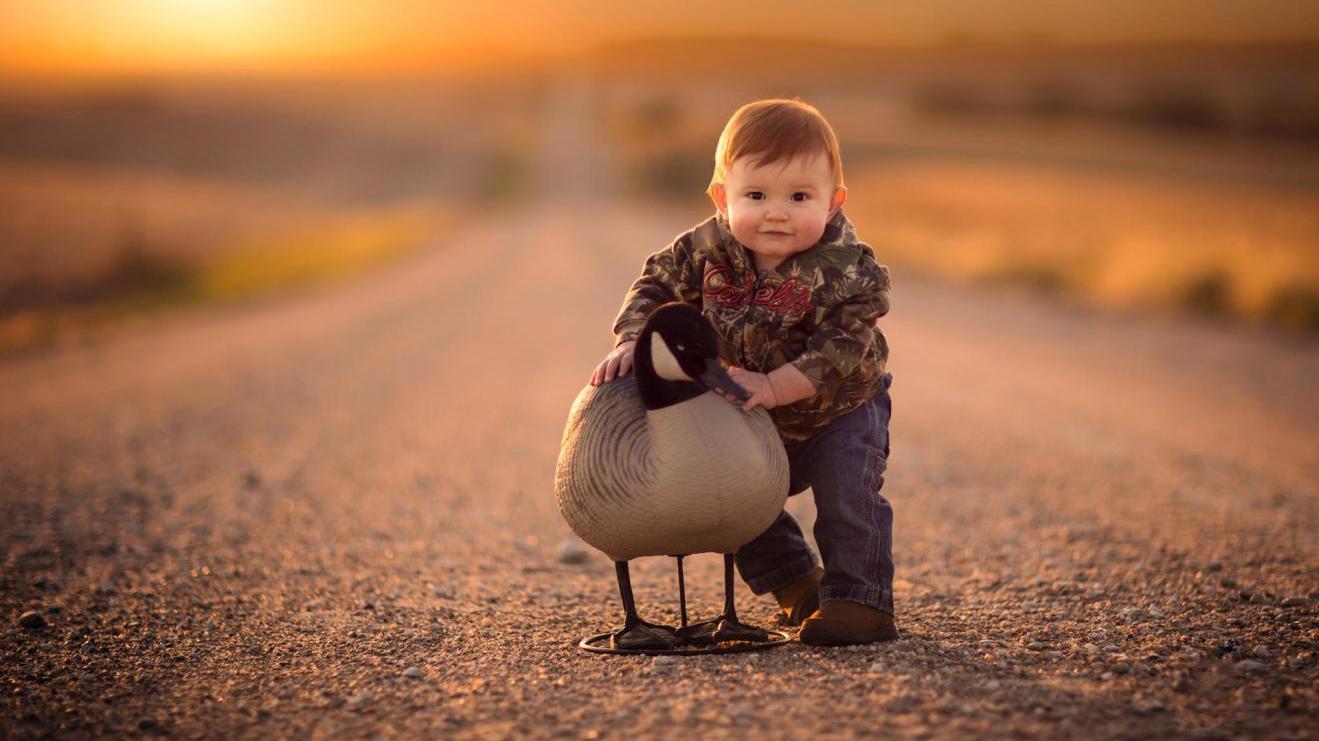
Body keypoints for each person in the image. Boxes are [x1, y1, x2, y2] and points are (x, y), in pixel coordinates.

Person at [589, 98, 896, 645]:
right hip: (749, 407)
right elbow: (654, 285)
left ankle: (859, 599)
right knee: (733, 497)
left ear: (833, 203)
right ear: (721, 198)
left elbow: (843, 346)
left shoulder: (848, 268)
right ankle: (797, 583)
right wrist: (634, 337)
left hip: (838, 411)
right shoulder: (705, 249)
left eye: (799, 197)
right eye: (756, 196)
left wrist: (777, 386)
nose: (776, 212)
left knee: (848, 499)